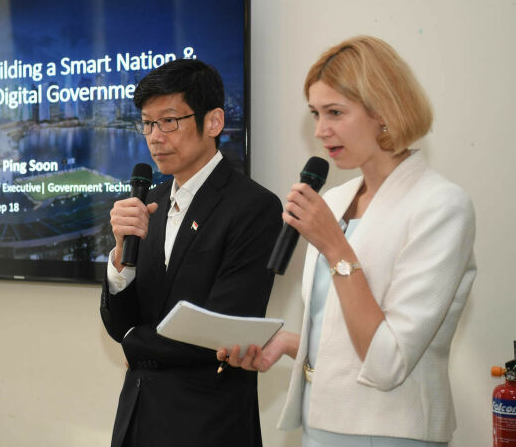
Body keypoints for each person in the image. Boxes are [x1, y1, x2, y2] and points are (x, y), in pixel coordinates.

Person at [217, 36, 476, 446]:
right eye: (315, 114)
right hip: (319, 424)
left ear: (384, 111)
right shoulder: (336, 200)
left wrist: (335, 247)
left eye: (335, 112)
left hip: (390, 432)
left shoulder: (440, 206)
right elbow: (345, 331)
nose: (321, 131)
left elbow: (388, 361)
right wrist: (290, 344)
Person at [100, 58, 283, 447]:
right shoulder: (149, 203)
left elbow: (219, 331)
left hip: (209, 425)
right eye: (147, 124)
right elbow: (119, 324)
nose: (155, 137)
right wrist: (119, 257)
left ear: (213, 122)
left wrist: (134, 342)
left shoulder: (254, 207)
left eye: (169, 121)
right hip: (138, 421)